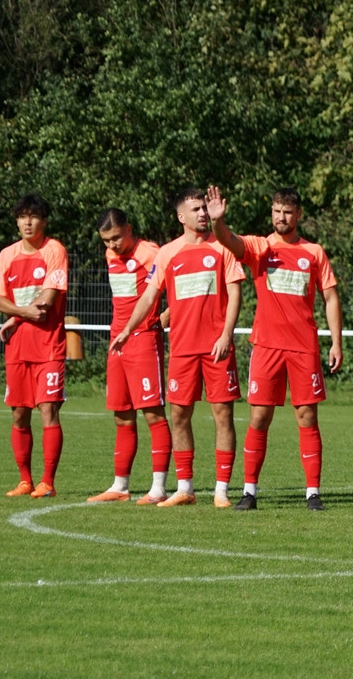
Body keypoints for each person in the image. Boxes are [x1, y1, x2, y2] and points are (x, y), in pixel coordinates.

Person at [208, 187, 343, 511]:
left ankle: (313, 493)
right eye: (277, 211)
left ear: (298, 215)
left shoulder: (314, 252)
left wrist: (336, 342)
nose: (281, 217)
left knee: (307, 416)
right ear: (272, 212)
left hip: (304, 348)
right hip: (267, 346)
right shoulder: (261, 247)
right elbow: (229, 240)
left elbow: (330, 297)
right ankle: (249, 492)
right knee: (259, 417)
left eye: (288, 212)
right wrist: (217, 223)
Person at [111, 188, 245, 508]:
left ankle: (222, 491)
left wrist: (226, 334)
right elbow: (149, 296)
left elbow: (235, 293)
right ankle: (185, 488)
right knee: (179, 415)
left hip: (216, 347)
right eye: (195, 209)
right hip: (182, 349)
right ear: (181, 216)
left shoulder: (223, 247)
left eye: (204, 208)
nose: (202, 213)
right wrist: (128, 328)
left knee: (222, 415)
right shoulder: (167, 253)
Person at [88, 208, 173, 504]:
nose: (112, 245)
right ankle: (120, 486)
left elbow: (178, 287)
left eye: (116, 238)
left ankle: (158, 488)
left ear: (129, 229)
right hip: (117, 341)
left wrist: (164, 317)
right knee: (122, 415)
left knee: (152, 413)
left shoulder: (151, 253)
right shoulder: (110, 255)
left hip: (144, 339)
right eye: (106, 240)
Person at [0, 194, 68, 498]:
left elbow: (48, 299)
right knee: (19, 413)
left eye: (33, 216)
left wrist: (14, 315)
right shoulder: (7, 255)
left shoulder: (54, 250)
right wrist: (21, 314)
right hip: (17, 347)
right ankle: (25, 481)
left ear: (44, 221)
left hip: (49, 345)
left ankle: (47, 482)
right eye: (22, 216)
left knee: (48, 408)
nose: (27, 222)